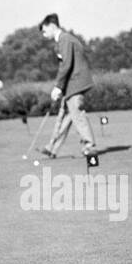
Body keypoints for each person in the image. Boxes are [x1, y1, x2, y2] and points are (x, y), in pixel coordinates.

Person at [38, 14, 97, 158]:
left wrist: (58, 87)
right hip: (70, 85)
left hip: (76, 83)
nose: (44, 35)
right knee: (65, 116)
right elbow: (64, 65)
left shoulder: (65, 39)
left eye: (45, 31)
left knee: (77, 114)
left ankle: (89, 146)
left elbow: (66, 65)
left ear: (52, 26)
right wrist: (61, 87)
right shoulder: (61, 41)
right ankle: (52, 148)